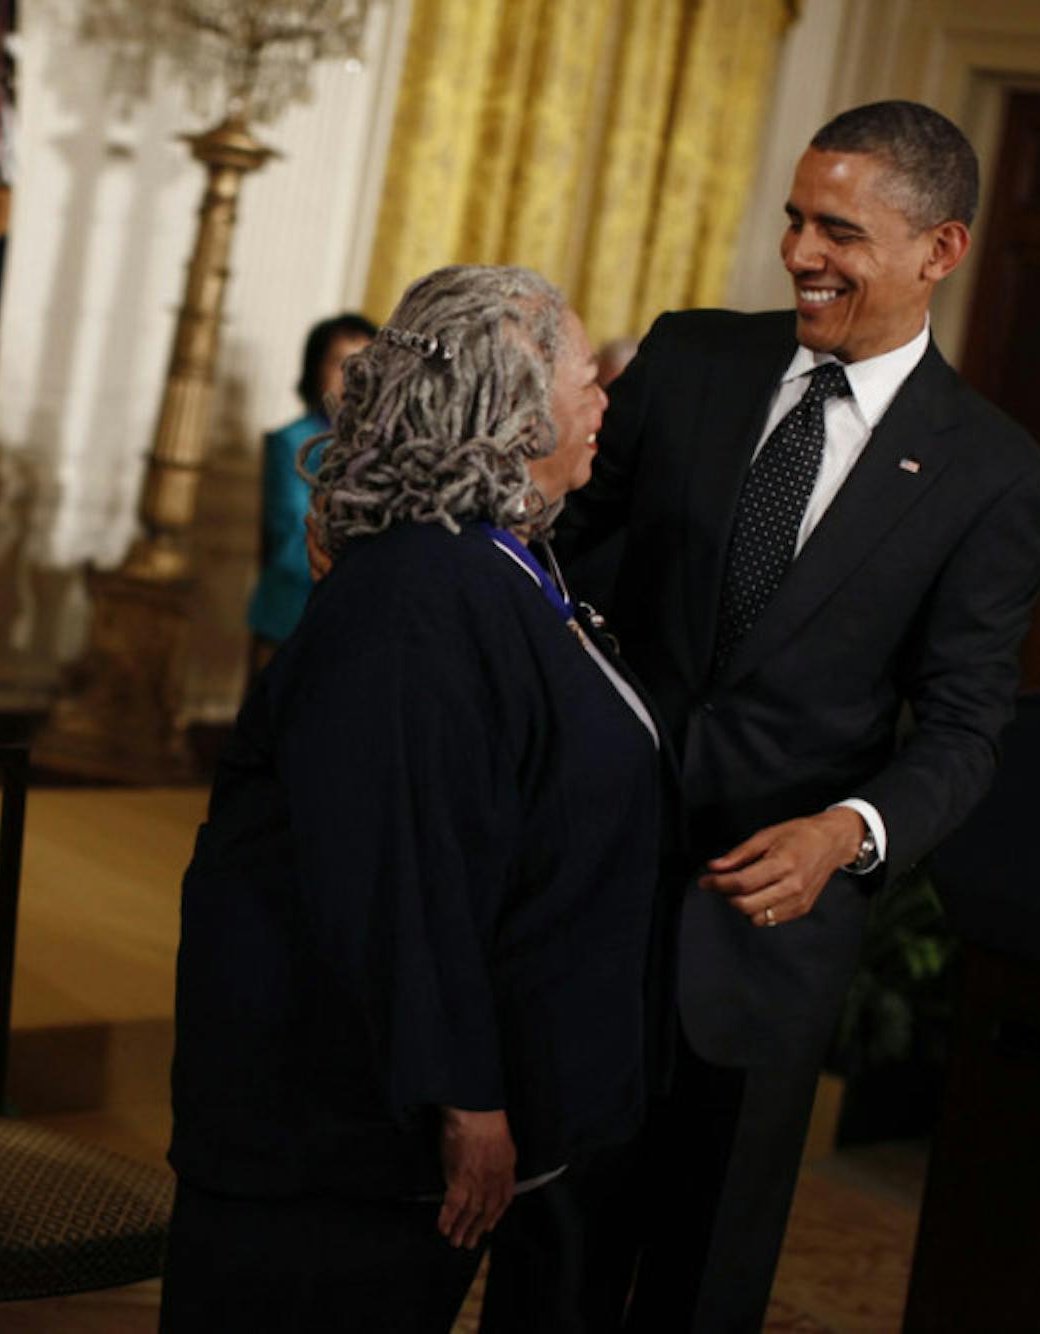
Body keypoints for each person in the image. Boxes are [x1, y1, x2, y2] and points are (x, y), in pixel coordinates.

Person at [481, 101, 1040, 1332]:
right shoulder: (689, 359)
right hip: (592, 887)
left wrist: (844, 832)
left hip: (767, 936)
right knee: (551, 1253)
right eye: (794, 218)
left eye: (836, 230)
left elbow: (963, 722)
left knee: (701, 1281)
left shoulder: (990, 471)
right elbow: (557, 558)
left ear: (936, 252)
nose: (798, 252)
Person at [163, 265, 667, 1333]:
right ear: (510, 405)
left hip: (384, 1132)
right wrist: (465, 1096)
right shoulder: (416, 593)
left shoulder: (493, 562)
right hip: (334, 1143)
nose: (601, 400)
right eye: (585, 378)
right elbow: (398, 869)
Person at [244, 312, 376, 670]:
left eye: (363, 363)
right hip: (295, 605)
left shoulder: (383, 447)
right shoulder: (291, 442)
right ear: (315, 368)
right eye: (338, 362)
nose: (351, 375)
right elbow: (289, 540)